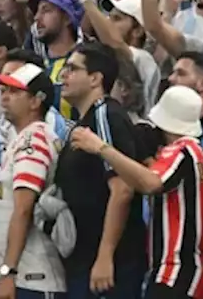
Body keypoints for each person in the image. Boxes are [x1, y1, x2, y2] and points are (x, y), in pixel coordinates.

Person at [70, 86, 203, 299]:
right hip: (187, 274)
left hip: (174, 272)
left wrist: (101, 148)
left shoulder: (181, 150)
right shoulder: (196, 154)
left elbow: (151, 183)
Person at [53, 42, 147, 299]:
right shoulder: (82, 122)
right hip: (84, 259)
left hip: (108, 265)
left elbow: (122, 189)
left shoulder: (104, 114)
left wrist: (105, 256)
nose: (64, 76)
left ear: (95, 78)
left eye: (72, 69)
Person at [0, 62, 67, 299]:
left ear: (36, 101)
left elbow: (23, 209)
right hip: (24, 276)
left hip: (31, 278)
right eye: (4, 90)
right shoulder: (24, 137)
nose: (5, 96)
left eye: (14, 91)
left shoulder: (34, 140)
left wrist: (8, 273)